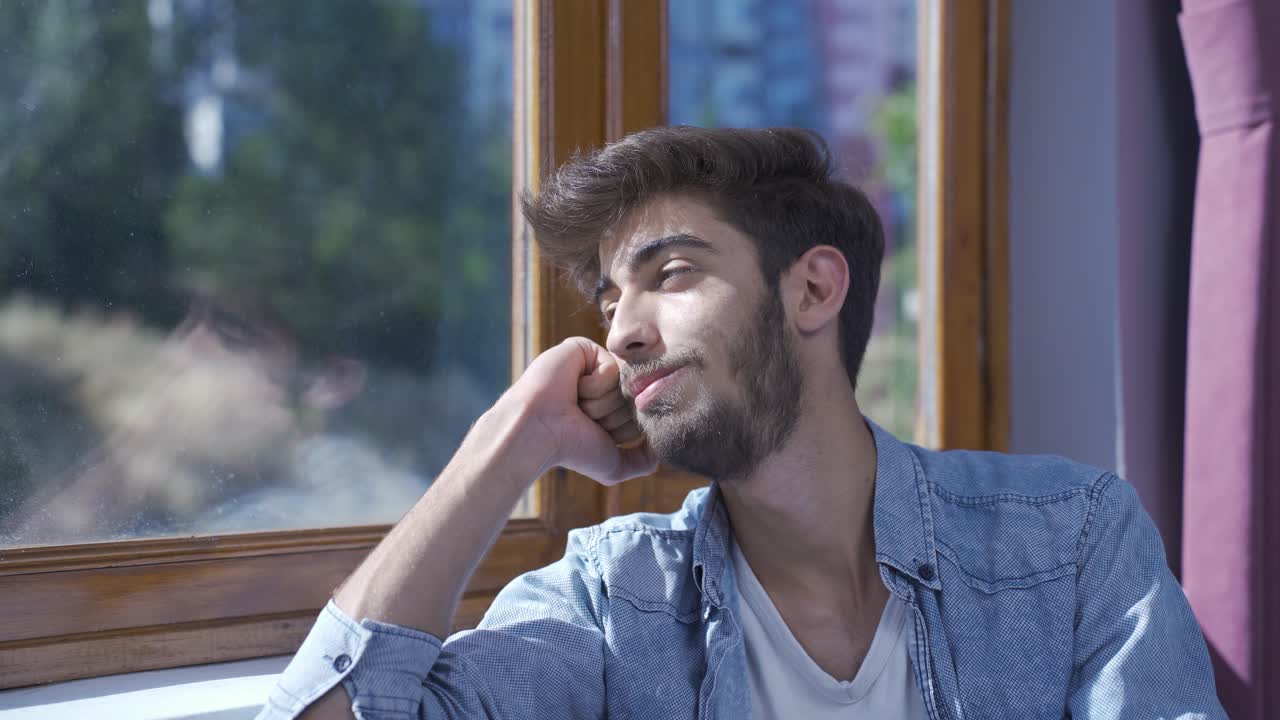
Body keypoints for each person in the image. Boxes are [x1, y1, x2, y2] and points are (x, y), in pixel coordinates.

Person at [259, 127, 1226, 719]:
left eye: (670, 275)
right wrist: (512, 440)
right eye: (608, 302)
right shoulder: (611, 604)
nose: (623, 332)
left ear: (812, 288)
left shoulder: (1068, 540)